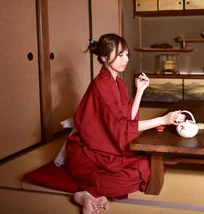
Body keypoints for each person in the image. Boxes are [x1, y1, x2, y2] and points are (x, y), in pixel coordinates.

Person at [65, 33, 185, 214]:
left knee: (149, 165)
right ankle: (84, 194)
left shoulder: (119, 83)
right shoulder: (101, 85)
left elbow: (128, 118)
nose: (126, 59)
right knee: (145, 170)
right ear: (105, 58)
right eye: (120, 55)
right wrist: (163, 119)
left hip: (111, 145)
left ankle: (89, 194)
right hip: (90, 151)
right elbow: (121, 127)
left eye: (127, 54)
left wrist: (139, 91)